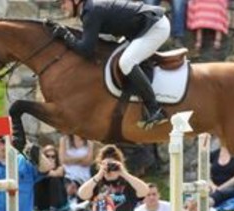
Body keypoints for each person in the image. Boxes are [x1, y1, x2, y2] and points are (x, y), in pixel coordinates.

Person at [53, 0, 169, 129]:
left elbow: (86, 50)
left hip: (155, 28)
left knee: (126, 62)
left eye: (63, 2)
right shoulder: (90, 9)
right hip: (142, 29)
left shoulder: (91, 12)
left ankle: (155, 109)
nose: (61, 6)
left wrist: (66, 36)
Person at [78, 144, 149, 211]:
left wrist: (123, 173)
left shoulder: (128, 183)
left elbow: (145, 191)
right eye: (106, 166)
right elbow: (82, 194)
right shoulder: (96, 183)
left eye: (112, 166)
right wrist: (99, 174)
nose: (110, 169)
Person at [209, 143, 234, 209]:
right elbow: (207, 175)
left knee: (220, 193)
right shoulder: (213, 155)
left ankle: (204, 205)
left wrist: (220, 188)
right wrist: (212, 186)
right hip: (214, 187)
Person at [34, 144, 67, 211]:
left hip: (58, 200)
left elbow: (57, 173)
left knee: (54, 180)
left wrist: (48, 170)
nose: (50, 159)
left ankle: (53, 209)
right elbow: (44, 173)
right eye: (47, 156)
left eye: (53, 157)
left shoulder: (60, 168)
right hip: (42, 199)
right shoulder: (38, 168)